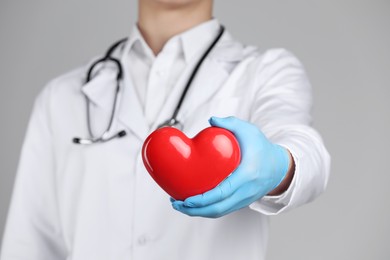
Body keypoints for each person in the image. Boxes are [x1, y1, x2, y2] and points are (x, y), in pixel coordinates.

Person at [0, 0, 330, 259]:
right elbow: (28, 246)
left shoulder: (263, 73)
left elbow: (305, 149)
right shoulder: (62, 97)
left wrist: (277, 165)